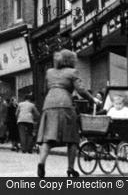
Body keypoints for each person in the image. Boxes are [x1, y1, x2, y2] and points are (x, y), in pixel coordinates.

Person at [36, 49, 100, 178]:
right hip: (65, 104)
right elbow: (81, 90)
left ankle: (41, 163)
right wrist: (93, 100)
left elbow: (45, 89)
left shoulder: (49, 72)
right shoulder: (72, 72)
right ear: (72, 60)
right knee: (72, 139)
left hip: (49, 104)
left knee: (48, 138)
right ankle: (70, 169)